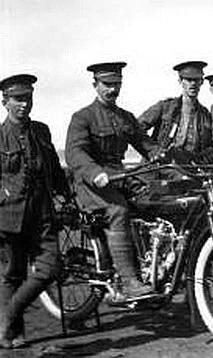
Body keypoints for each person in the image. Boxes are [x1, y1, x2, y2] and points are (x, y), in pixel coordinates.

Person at [66, 62, 160, 302]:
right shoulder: (82, 117)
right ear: (95, 85)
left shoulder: (125, 117)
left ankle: (153, 269)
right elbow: (75, 154)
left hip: (120, 178)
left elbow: (147, 146)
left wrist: (162, 156)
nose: (112, 89)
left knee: (155, 203)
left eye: (116, 84)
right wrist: (95, 173)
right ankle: (129, 281)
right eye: (107, 85)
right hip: (90, 185)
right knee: (118, 211)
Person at [0, 74, 68, 348]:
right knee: (13, 275)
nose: (24, 105)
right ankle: (12, 334)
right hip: (10, 216)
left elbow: (54, 167)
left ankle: (8, 316)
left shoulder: (42, 131)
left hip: (42, 213)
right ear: (5, 102)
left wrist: (65, 195)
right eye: (18, 99)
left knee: (51, 268)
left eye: (27, 98)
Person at [138, 61, 213, 164]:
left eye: (196, 80)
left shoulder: (205, 115)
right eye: (188, 80)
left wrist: (201, 161)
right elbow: (136, 127)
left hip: (189, 168)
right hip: (161, 165)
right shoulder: (165, 107)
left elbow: (209, 147)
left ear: (201, 82)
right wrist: (153, 150)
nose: (193, 84)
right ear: (180, 81)